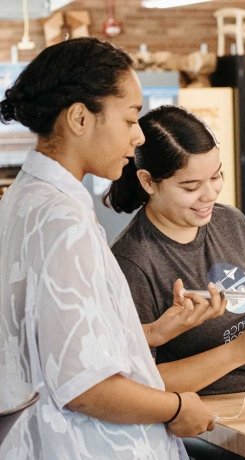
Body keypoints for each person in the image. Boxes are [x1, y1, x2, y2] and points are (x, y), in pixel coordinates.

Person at [0, 37, 218, 460]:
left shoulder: (25, 199)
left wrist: (152, 333)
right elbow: (83, 386)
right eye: (130, 119)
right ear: (80, 118)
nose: (137, 137)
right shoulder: (61, 220)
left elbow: (50, 339)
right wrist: (177, 406)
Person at [105, 105, 245, 397]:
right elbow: (137, 383)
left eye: (216, 177)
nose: (210, 194)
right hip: (198, 424)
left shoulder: (231, 221)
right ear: (148, 181)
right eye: (191, 186)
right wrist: (237, 352)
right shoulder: (133, 260)